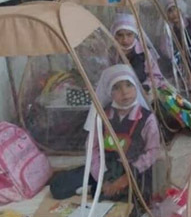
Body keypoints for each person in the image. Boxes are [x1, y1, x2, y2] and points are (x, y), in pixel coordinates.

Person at [50, 65, 162, 201]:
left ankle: (94, 189)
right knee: (58, 187)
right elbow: (93, 148)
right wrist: (102, 178)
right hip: (107, 168)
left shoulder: (146, 118)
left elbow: (152, 151)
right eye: (117, 88)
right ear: (109, 92)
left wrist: (126, 178)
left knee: (134, 198)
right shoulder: (103, 116)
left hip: (134, 171)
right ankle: (98, 187)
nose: (125, 92)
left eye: (129, 85)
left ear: (136, 87)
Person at [111, 13, 163, 93]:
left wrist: (145, 87)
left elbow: (156, 76)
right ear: (114, 35)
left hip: (144, 92)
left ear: (135, 34)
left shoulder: (144, 52)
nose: (125, 40)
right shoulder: (112, 53)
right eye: (120, 35)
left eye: (129, 35)